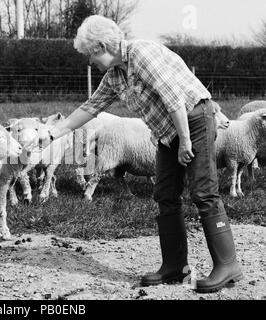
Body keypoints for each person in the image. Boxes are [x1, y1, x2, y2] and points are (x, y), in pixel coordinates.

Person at [40, 15, 243, 293]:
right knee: (165, 194)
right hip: (168, 130)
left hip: (193, 118)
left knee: (203, 190)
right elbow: (91, 107)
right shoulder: (114, 75)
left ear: (101, 46)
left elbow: (172, 96)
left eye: (89, 55)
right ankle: (175, 267)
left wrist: (185, 140)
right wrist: (52, 133)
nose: (89, 62)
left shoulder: (140, 53)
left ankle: (228, 265)